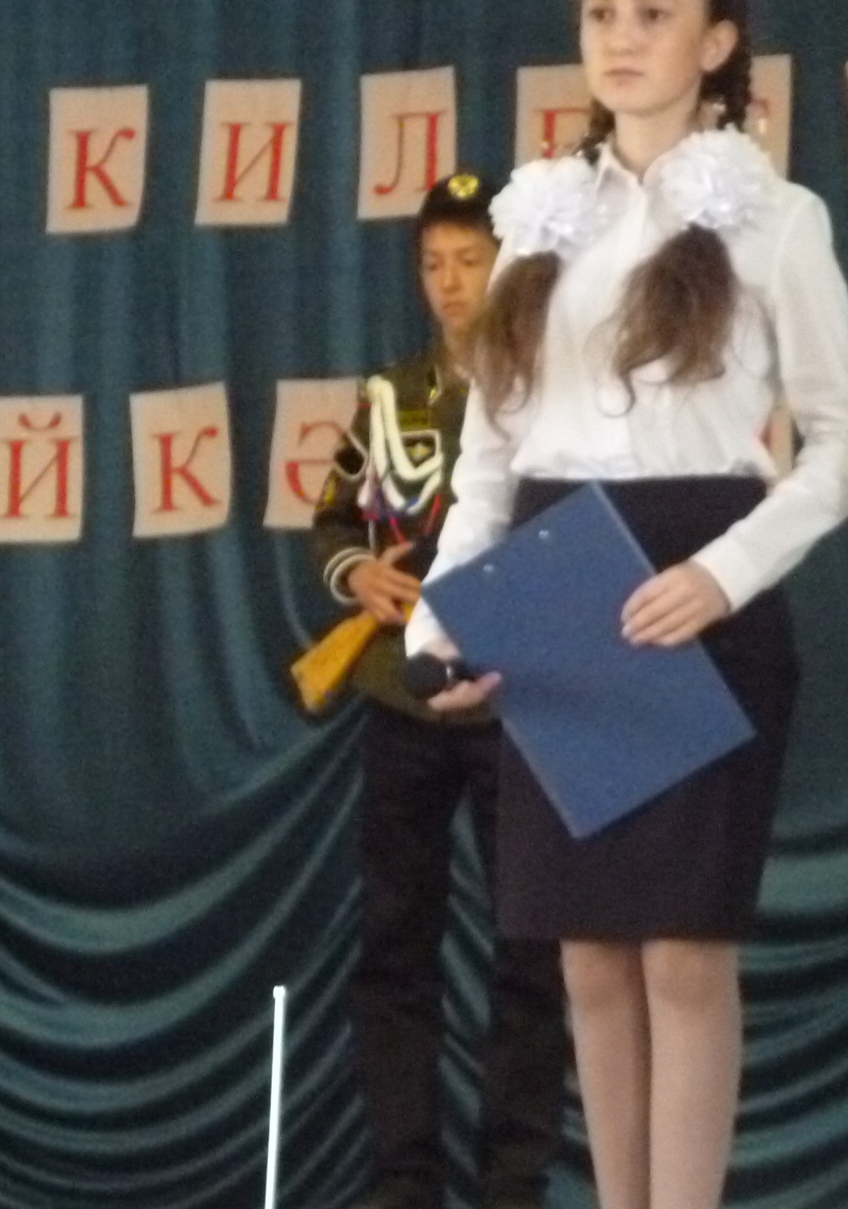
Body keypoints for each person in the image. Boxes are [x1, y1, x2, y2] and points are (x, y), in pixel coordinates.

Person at [406, 0, 848, 1209]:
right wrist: (443, 619)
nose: (620, 37)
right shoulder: (537, 217)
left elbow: (844, 444)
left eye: (654, 12)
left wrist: (724, 573)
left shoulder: (777, 218)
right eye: (600, 12)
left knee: (681, 950)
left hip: (697, 579)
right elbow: (491, 454)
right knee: (590, 958)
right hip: (555, 574)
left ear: (717, 42)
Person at [308, 171, 569, 1209]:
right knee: (394, 945)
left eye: (470, 260)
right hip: (403, 694)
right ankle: (403, 1179)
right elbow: (336, 520)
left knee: (531, 949)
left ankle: (514, 1182)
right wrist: (357, 576)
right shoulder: (390, 396)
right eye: (434, 263)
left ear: (506, 267)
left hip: (516, 698)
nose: (451, 282)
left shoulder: (551, 388)